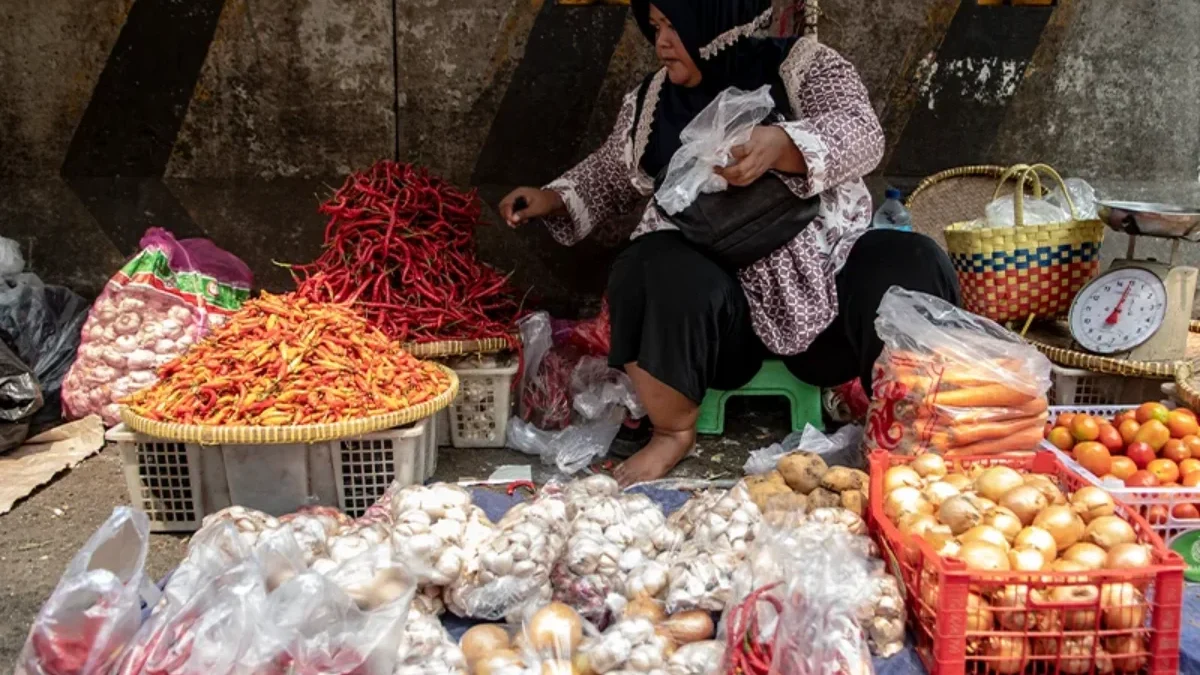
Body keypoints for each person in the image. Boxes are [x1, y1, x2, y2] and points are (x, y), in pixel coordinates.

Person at [500, 0, 960, 486]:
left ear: (718, 23)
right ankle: (672, 431)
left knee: (911, 261)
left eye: (675, 26)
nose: (661, 43)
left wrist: (782, 146)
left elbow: (862, 131)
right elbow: (608, 175)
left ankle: (919, 434)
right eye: (655, 27)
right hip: (720, 324)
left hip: (825, 291)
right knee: (648, 263)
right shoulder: (653, 103)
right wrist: (551, 199)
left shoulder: (802, 67)